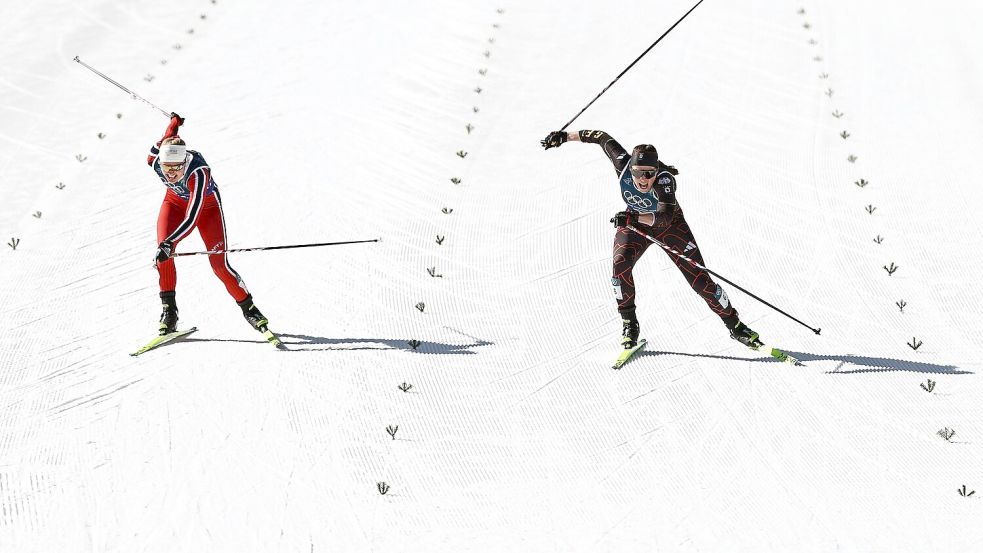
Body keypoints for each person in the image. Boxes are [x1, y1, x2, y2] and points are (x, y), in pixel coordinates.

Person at [540, 129, 762, 350]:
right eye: (638, 173)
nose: (642, 179)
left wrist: (632, 216)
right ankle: (629, 323)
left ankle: (736, 326)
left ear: (657, 170)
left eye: (648, 173)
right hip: (635, 223)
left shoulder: (665, 181)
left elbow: (664, 218)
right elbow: (599, 137)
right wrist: (564, 136)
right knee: (620, 266)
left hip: (670, 227)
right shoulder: (622, 164)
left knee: (701, 280)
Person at [148, 112, 270, 336]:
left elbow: (193, 216)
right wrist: (174, 123)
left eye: (177, 168)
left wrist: (171, 241)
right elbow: (168, 137)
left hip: (206, 209)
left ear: (185, 161)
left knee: (218, 265)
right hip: (173, 204)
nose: (172, 173)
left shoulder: (199, 172)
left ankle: (250, 309)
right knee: (162, 254)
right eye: (167, 168)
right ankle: (169, 312)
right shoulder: (155, 160)